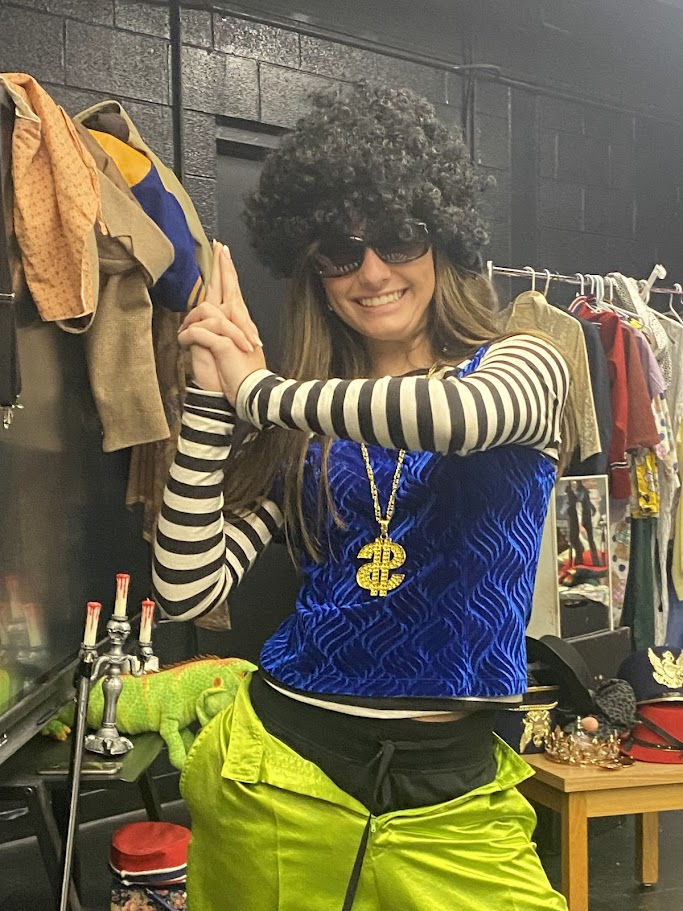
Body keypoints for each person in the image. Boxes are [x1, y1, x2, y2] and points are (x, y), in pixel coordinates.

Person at [153, 83, 570, 911]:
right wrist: (208, 400)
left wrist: (257, 391)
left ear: (442, 236)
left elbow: (457, 418)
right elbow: (187, 587)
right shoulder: (301, 426)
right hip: (276, 771)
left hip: (451, 794)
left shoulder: (523, 363)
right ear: (315, 269)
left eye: (398, 236)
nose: (371, 271)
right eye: (341, 251)